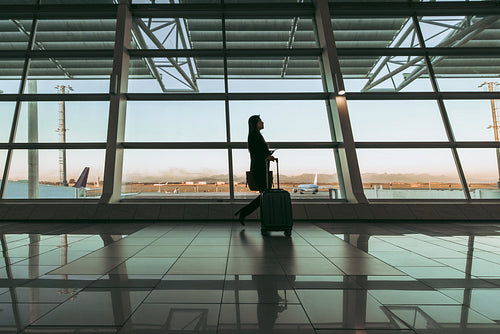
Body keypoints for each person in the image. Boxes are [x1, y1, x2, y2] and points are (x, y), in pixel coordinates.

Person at [235, 115, 275, 225]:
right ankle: (246, 213)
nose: (263, 122)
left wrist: (267, 154)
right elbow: (257, 153)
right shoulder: (254, 135)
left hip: (260, 168)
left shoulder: (255, 135)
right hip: (259, 169)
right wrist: (267, 156)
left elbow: (258, 151)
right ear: (255, 124)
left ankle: (246, 213)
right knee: (265, 195)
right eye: (260, 121)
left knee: (264, 195)